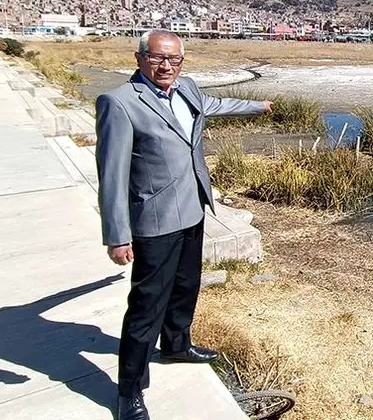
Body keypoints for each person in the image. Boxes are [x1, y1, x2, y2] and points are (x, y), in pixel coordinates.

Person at [95, 29, 272, 420]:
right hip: (154, 220)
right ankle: (129, 391)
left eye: (174, 59)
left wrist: (257, 106)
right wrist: (117, 236)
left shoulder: (187, 88)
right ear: (139, 58)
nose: (166, 66)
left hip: (193, 209)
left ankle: (176, 344)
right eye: (158, 58)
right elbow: (111, 175)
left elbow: (215, 103)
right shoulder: (120, 103)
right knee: (146, 308)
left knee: (186, 287)